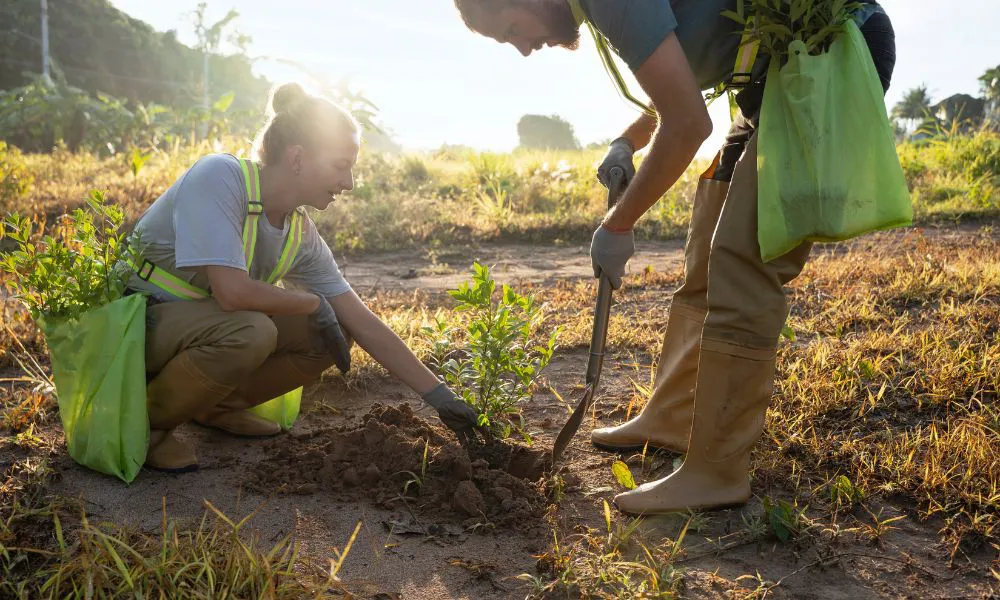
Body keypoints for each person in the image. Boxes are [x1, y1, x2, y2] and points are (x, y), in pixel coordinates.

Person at [453, 0, 896, 514]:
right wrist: (628, 138)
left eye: (511, 31)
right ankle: (674, 417)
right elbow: (679, 79)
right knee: (709, 245)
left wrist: (618, 223)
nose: (524, 49)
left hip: (828, 56)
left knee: (743, 259)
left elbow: (687, 124)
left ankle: (717, 469)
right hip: (769, 77)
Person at [126, 83, 480, 473]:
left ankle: (214, 406)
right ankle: (150, 425)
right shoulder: (219, 177)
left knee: (332, 334)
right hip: (137, 326)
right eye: (341, 165)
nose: (349, 183)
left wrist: (441, 398)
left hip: (198, 332)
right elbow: (231, 292)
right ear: (297, 158)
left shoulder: (299, 231)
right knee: (253, 330)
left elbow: (363, 321)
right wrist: (311, 302)